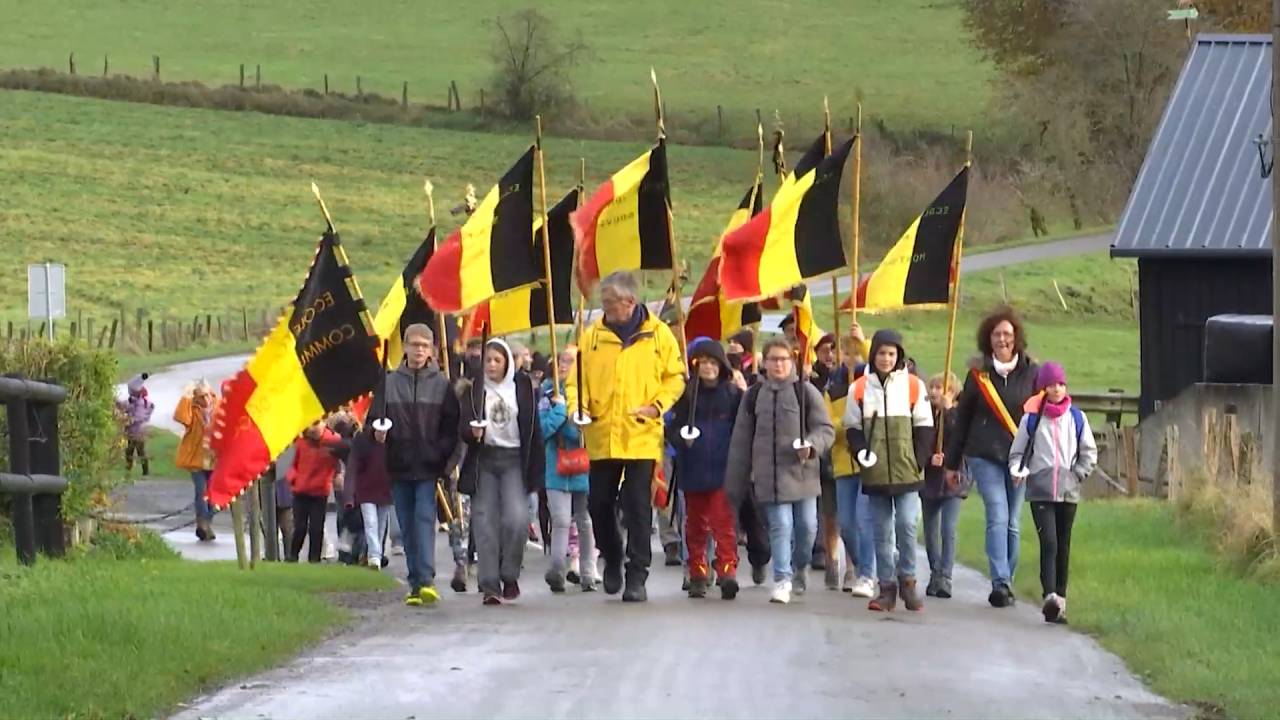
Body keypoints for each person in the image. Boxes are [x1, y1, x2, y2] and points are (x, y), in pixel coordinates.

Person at [566, 271, 685, 602]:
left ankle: (637, 574)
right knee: (599, 503)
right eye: (602, 302)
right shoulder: (592, 337)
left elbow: (676, 377)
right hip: (602, 432)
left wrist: (657, 406)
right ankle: (613, 556)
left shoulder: (658, 335)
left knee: (636, 506)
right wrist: (577, 407)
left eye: (609, 303)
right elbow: (576, 380)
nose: (604, 308)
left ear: (630, 302)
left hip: (641, 434)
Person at [726, 338, 834, 605]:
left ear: (792, 361)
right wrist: (734, 483)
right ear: (764, 362)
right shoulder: (753, 395)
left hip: (803, 476)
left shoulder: (806, 392)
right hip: (769, 478)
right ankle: (782, 578)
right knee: (780, 525)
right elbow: (741, 440)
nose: (778, 364)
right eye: (773, 359)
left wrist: (811, 446)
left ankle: (800, 567)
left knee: (807, 527)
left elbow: (826, 430)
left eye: (783, 359)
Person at [944, 307, 1039, 608]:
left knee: (1013, 521)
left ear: (1016, 338)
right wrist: (952, 462)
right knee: (997, 513)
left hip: (1019, 456)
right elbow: (962, 420)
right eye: (997, 334)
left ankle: (1006, 580)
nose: (1002, 339)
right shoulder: (978, 376)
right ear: (989, 338)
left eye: (1008, 334)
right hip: (983, 454)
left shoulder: (1032, 374)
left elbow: (1040, 418)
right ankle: (1000, 580)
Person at [844, 329, 933, 612]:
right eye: (881, 353)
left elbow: (925, 426)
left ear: (899, 356)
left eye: (891, 354)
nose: (886, 358)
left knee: (906, 524)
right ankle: (886, 588)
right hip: (876, 472)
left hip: (908, 470)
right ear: (873, 355)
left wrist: (918, 459)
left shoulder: (914, 386)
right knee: (881, 531)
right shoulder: (858, 388)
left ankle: (908, 581)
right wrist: (861, 453)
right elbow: (852, 428)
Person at [376, 323, 461, 607]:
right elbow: (373, 423)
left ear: (432, 350)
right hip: (398, 464)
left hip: (427, 467)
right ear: (405, 347)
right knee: (406, 525)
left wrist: (442, 458)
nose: (419, 350)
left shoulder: (441, 384)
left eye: (424, 345)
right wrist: (378, 435)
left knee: (424, 520)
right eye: (414, 345)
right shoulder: (388, 383)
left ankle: (426, 579)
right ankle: (414, 582)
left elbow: (451, 427)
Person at [1008, 361, 1097, 624]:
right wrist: (1018, 471)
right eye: (1050, 385)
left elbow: (1088, 452)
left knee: (1064, 545)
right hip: (1040, 491)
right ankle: (1049, 596)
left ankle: (1061, 601)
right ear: (1042, 389)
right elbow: (1017, 452)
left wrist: (1078, 474)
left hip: (1069, 492)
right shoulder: (1032, 420)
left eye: (1060, 384)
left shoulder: (1077, 418)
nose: (1056, 389)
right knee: (1049, 542)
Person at [459, 338, 545, 605]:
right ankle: (489, 585)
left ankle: (510, 573)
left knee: (517, 520)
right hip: (484, 460)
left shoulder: (522, 389)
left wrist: (536, 471)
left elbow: (533, 429)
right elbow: (461, 426)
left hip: (514, 460)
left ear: (507, 362)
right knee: (484, 523)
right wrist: (471, 433)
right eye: (488, 360)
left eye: (498, 360)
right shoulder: (474, 390)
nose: (492, 365)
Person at [668, 338, 744, 600]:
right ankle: (697, 572)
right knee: (695, 524)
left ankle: (727, 570)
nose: (709, 367)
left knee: (724, 522)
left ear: (721, 364)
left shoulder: (734, 396)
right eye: (704, 362)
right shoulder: (687, 395)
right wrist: (681, 439)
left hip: (724, 468)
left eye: (713, 362)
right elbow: (672, 428)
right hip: (694, 467)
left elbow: (742, 429)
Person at [539, 347, 597, 593]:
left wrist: (573, 419)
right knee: (561, 519)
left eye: (571, 361)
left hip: (584, 463)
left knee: (585, 520)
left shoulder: (589, 393)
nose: (565, 365)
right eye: (562, 360)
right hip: (556, 465)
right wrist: (561, 410)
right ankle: (557, 571)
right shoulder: (547, 394)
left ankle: (587, 573)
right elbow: (544, 429)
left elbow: (583, 433)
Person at [826, 329, 877, 598]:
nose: (850, 357)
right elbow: (826, 425)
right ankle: (864, 564)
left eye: (855, 353)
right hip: (844, 462)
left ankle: (868, 572)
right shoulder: (833, 386)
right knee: (845, 523)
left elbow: (881, 361)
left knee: (863, 518)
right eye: (846, 352)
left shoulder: (872, 383)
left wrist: (864, 340)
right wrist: (845, 423)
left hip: (868, 462)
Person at [922, 371, 966, 599]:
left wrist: (948, 413)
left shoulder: (958, 415)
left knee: (948, 528)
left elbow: (959, 438)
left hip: (953, 477)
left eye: (942, 388)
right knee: (930, 530)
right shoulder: (925, 414)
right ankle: (935, 571)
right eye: (934, 387)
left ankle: (946, 576)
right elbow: (920, 440)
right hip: (930, 478)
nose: (936, 392)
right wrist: (930, 457)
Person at [287, 419, 343, 563]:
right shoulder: (299, 440)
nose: (313, 429)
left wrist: (337, 475)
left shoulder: (333, 440)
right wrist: (294, 479)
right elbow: (290, 463)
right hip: (301, 491)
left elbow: (338, 461)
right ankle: (292, 556)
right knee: (300, 527)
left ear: (324, 423)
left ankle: (314, 559)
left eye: (316, 423)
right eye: (310, 424)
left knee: (316, 528)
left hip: (320, 491)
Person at [343, 422, 394, 570]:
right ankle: (374, 556)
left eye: (385, 433)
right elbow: (353, 468)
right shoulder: (363, 444)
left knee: (380, 525)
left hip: (384, 491)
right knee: (371, 523)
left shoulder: (391, 446)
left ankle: (374, 554)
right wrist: (349, 495)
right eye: (380, 432)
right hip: (367, 491)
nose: (382, 436)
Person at [174, 380, 218, 542]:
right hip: (196, 459)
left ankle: (206, 523)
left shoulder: (218, 407)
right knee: (201, 491)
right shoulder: (192, 409)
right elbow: (181, 417)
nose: (206, 400)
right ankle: (203, 525)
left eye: (207, 395)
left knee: (213, 495)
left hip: (214, 459)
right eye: (201, 397)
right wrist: (186, 397)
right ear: (196, 398)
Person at [119, 373, 153, 476]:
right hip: (132, 431)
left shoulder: (140, 403)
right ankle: (129, 470)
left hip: (138, 432)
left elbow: (139, 417)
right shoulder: (133, 402)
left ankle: (145, 472)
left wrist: (128, 419)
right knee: (130, 451)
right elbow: (125, 407)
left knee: (139, 451)